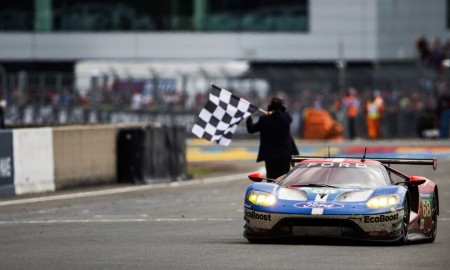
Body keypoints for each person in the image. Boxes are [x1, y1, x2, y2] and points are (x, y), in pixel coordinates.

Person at [246, 97, 299, 179]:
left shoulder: (264, 120)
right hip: (285, 155)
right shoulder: (286, 118)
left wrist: (249, 117)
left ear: (270, 107)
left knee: (271, 178)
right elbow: (283, 115)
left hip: (270, 156)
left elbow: (251, 129)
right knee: (284, 179)